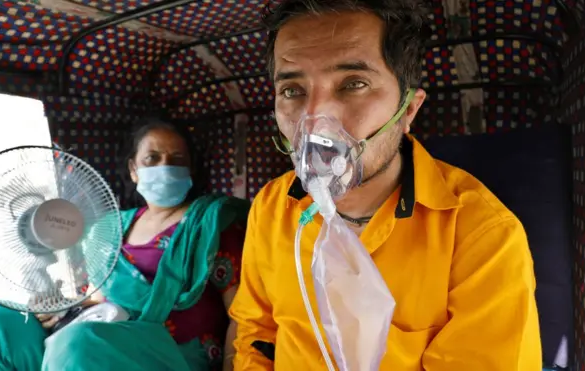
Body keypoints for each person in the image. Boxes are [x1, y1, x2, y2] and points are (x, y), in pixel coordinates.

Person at [229, 1, 541, 370]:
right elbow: (255, 336)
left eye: (353, 84)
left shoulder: (480, 235)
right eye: (293, 90)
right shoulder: (270, 207)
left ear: (408, 109)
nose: (315, 119)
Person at [0, 118, 248, 371]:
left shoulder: (210, 225)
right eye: (152, 158)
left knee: (78, 343)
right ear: (133, 169)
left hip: (171, 353)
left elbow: (242, 312)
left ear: (191, 170)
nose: (165, 167)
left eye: (177, 159)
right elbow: (106, 299)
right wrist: (62, 310)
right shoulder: (112, 227)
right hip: (101, 337)